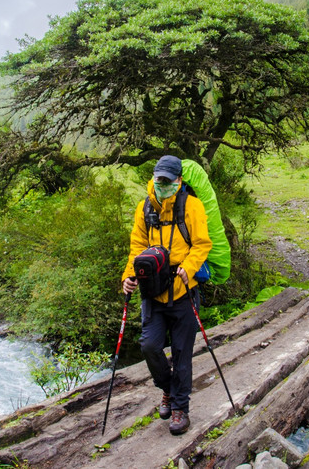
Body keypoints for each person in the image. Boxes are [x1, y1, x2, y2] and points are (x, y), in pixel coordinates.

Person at [121, 155, 212, 435]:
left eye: (168, 181)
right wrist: (128, 276)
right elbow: (137, 245)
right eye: (158, 180)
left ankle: (180, 410)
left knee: (182, 354)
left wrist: (189, 268)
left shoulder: (192, 206)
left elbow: (202, 244)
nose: (162, 185)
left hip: (184, 291)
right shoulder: (145, 207)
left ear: (179, 181)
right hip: (152, 291)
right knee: (149, 345)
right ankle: (168, 389)